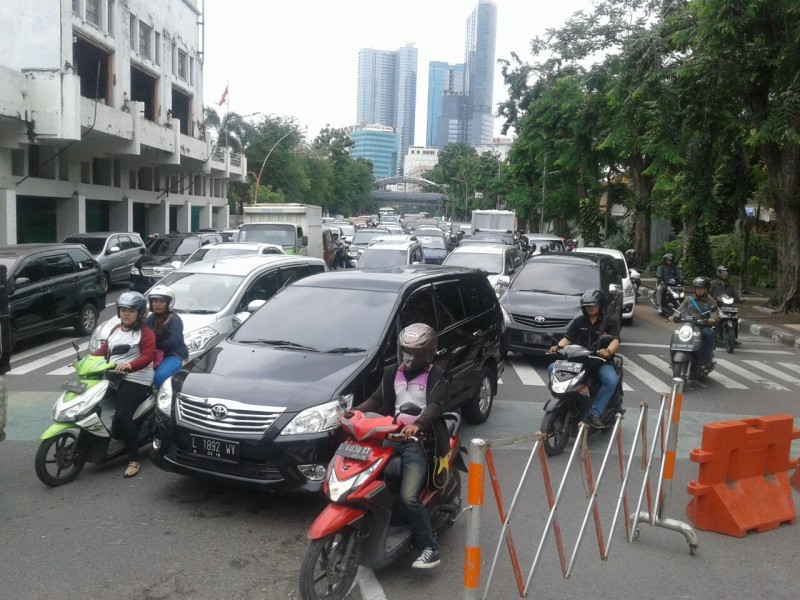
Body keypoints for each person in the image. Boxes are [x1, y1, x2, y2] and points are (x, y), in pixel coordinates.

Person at [353, 323, 449, 569]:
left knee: (409, 496)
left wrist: (418, 424)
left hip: (418, 442)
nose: (408, 357)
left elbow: (436, 405)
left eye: (414, 353)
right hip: (389, 438)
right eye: (404, 351)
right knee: (363, 484)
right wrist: (353, 413)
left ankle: (429, 546)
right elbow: (377, 399)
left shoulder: (435, 374)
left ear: (428, 353)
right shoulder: (391, 372)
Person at [91, 292, 155, 478]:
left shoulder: (146, 333)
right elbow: (105, 350)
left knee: (122, 415)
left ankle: (134, 459)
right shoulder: (116, 329)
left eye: (131, 310)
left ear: (140, 313)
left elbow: (147, 356)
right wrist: (86, 359)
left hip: (136, 378)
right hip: (112, 375)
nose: (126, 314)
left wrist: (128, 366)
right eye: (123, 310)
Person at [548, 290, 620, 428]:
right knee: (552, 368)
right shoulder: (579, 321)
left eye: (593, 305)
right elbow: (568, 339)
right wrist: (557, 347)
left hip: (600, 362)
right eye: (587, 306)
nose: (590, 308)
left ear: (600, 305)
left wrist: (608, 351)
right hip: (579, 361)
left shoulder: (609, 322)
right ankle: (559, 397)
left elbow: (615, 340)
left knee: (611, 380)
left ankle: (595, 413)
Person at [145, 284, 188, 388]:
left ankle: (163, 400)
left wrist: (154, 343)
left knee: (160, 377)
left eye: (162, 301)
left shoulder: (175, 320)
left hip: (173, 355)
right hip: (154, 354)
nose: (158, 304)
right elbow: (144, 338)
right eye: (155, 301)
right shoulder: (150, 319)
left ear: (169, 303)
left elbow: (172, 343)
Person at [673, 276, 717, 373]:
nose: (699, 291)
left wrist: (712, 319)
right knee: (677, 333)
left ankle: (704, 362)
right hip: (688, 325)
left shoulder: (711, 301)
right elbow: (680, 309)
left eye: (701, 288)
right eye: (697, 288)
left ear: (706, 289)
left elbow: (715, 314)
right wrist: (673, 316)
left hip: (703, 326)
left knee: (709, 335)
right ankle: (674, 358)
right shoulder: (688, 299)